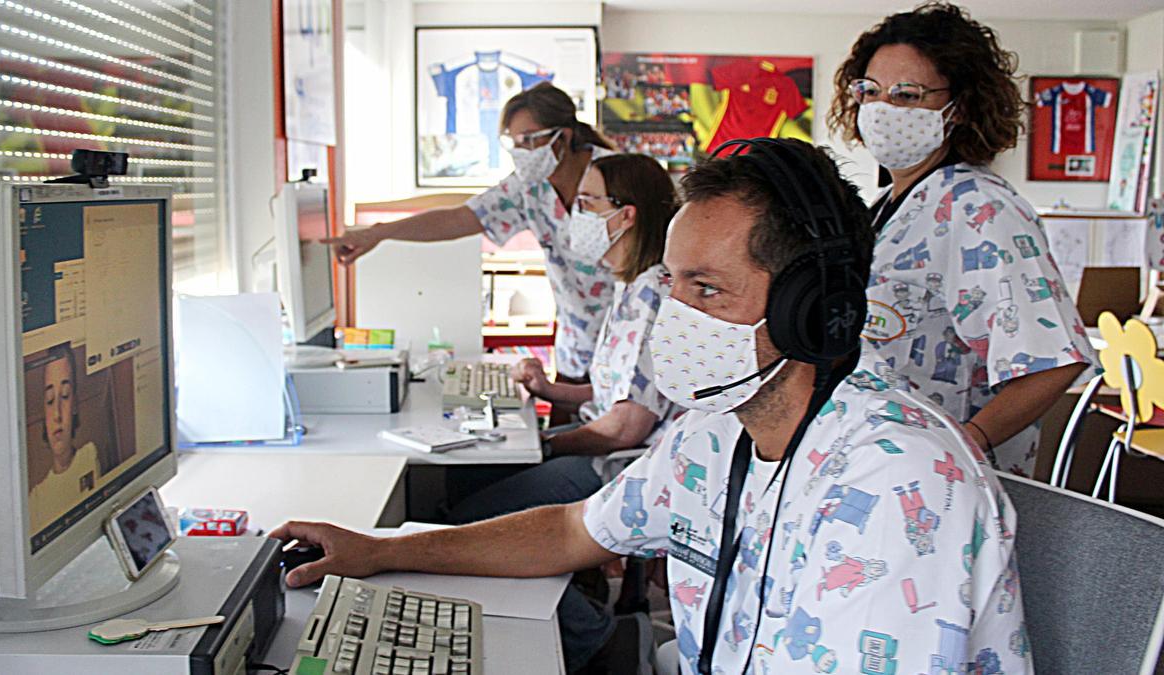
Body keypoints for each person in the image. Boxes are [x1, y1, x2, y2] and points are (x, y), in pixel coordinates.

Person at [272, 140, 1030, 675]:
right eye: (671, 283)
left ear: (812, 311)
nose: (674, 314)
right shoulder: (712, 433)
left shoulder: (898, 483)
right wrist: (383, 549)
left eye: (707, 290)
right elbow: (575, 527)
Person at [827, 1, 1096, 475]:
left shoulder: (979, 208)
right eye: (870, 91)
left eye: (908, 95)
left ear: (960, 107)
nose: (882, 108)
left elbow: (1054, 361)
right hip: (873, 465)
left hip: (942, 482)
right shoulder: (888, 205)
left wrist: (961, 447)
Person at [325, 83, 617, 396]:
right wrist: (379, 233)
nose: (523, 151)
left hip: (627, 344)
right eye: (515, 142)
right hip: (577, 352)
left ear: (564, 137)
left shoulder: (615, 174)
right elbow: (458, 219)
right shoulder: (528, 188)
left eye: (530, 140)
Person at [448, 154, 680, 526]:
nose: (576, 213)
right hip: (604, 445)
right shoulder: (629, 285)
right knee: (466, 474)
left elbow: (625, 427)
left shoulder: (654, 294)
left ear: (626, 216)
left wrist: (543, 446)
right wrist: (549, 390)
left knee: (469, 517)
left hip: (623, 466)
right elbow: (619, 392)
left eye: (588, 203)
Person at [29, 343, 98, 531]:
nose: (57, 414)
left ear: (75, 404)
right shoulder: (36, 497)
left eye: (65, 396)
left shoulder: (89, 455)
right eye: (50, 400)